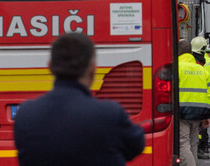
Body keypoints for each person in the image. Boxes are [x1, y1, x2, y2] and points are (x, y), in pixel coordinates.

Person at [14, 33, 144, 166]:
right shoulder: (110, 114)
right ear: (93, 69)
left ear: (50, 66)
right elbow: (136, 145)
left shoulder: (25, 115)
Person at [178, 39, 210, 166]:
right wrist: (207, 115)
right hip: (199, 113)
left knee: (183, 143)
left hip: (182, 112)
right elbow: (208, 94)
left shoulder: (178, 67)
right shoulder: (201, 70)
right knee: (193, 143)